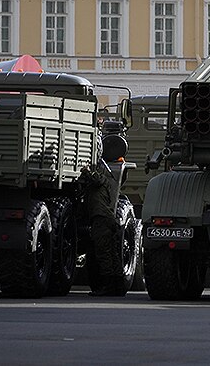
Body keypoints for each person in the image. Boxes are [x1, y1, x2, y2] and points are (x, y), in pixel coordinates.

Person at [80, 121, 127, 296]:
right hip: (106, 218)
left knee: (104, 254)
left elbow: (97, 179)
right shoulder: (109, 181)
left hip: (101, 219)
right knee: (112, 254)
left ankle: (108, 287)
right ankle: (118, 286)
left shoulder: (104, 179)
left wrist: (86, 171)